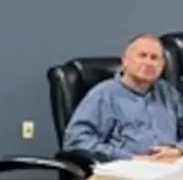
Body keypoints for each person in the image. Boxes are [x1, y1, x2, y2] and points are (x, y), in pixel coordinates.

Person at [63, 33, 183, 161]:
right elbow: (76, 141)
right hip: (126, 169)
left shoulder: (167, 92)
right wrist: (130, 158)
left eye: (154, 58)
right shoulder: (104, 94)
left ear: (162, 65)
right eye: (142, 56)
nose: (149, 62)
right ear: (125, 61)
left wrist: (178, 150)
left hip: (171, 166)